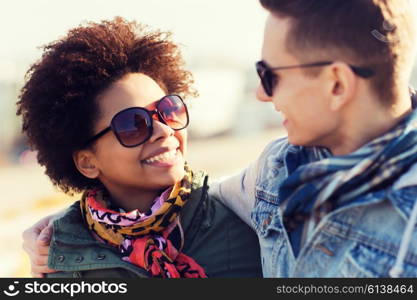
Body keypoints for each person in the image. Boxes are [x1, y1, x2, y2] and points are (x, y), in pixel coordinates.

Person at [24, 0, 417, 278]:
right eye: (134, 125)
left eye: (270, 75)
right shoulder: (275, 172)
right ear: (86, 160)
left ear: (336, 83)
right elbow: (196, 196)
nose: (262, 95)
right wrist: (62, 229)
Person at [17, 17, 262, 278]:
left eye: (168, 110)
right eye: (133, 124)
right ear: (88, 162)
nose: (164, 130)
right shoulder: (61, 263)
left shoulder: (247, 216)